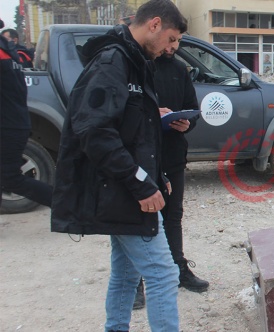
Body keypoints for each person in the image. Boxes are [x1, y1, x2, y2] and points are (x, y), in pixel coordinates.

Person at [49, 1, 187, 331]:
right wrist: (141, 183)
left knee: (127, 273)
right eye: (170, 39)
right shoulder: (113, 62)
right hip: (119, 190)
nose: (172, 49)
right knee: (163, 274)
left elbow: (135, 133)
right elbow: (94, 132)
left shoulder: (135, 62)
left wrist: (157, 176)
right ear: (154, 24)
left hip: (122, 186)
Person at [133, 33, 208, 310]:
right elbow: (127, 112)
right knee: (141, 219)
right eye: (171, 41)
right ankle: (135, 284)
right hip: (142, 156)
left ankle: (179, 270)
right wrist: (155, 112)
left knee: (173, 215)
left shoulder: (179, 68)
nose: (174, 48)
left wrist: (187, 124)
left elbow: (193, 109)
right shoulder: (137, 64)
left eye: (177, 43)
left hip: (173, 153)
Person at [0, 18, 53, 210]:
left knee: (10, 178)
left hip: (7, 124)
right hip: (15, 121)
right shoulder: (8, 49)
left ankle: (67, 207)